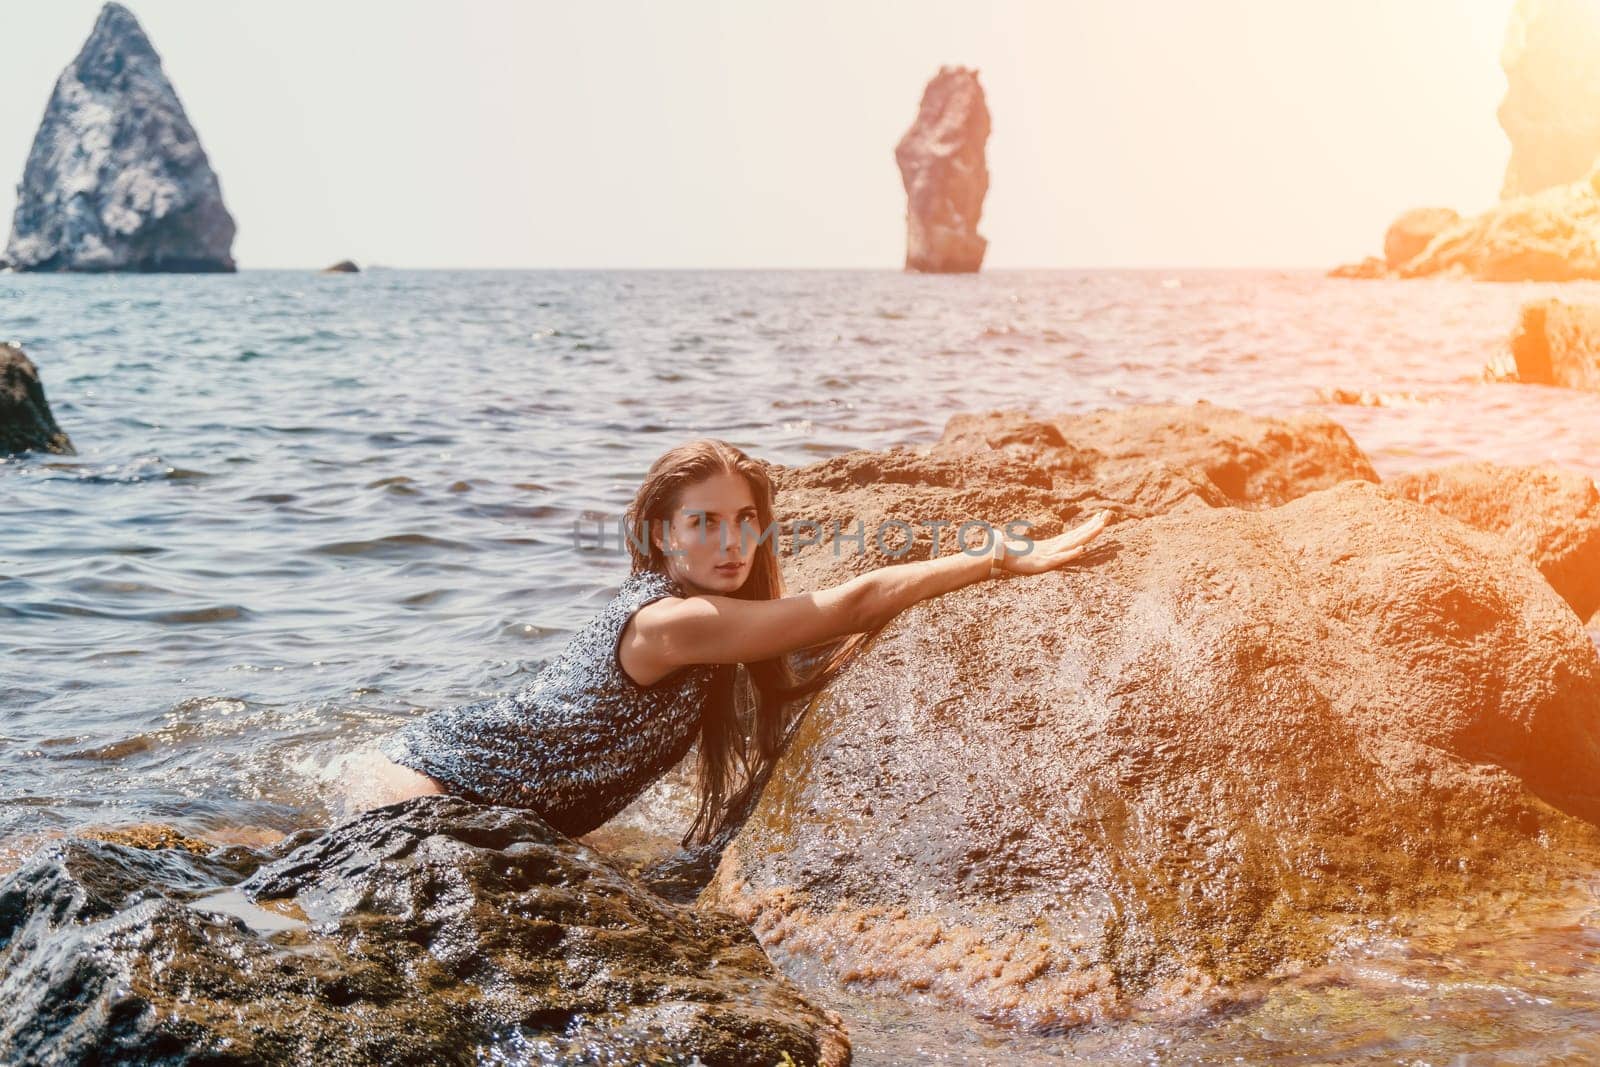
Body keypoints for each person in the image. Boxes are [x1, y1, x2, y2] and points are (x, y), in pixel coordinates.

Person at [349, 438, 1111, 847]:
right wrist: (1003, 555)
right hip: (438, 785)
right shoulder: (673, 622)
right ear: (660, 533)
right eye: (702, 523)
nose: (730, 541)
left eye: (743, 519)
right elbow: (853, 600)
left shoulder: (707, 612)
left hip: (485, 803)